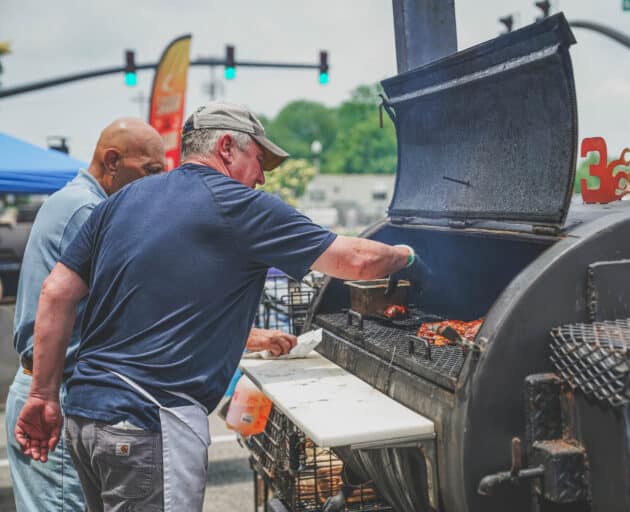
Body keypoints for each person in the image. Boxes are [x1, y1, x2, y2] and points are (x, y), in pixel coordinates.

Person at [15, 102, 420, 512]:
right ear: (226, 147)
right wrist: (409, 255)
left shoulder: (120, 201)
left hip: (86, 417)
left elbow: (56, 292)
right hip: (148, 422)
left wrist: (43, 395)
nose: (261, 177)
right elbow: (357, 260)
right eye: (259, 160)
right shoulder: (238, 206)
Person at [4, 118, 166, 511]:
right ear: (113, 161)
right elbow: (137, 304)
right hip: (53, 393)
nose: (156, 184)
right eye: (150, 171)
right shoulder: (86, 210)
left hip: (50, 388)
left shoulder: (79, 202)